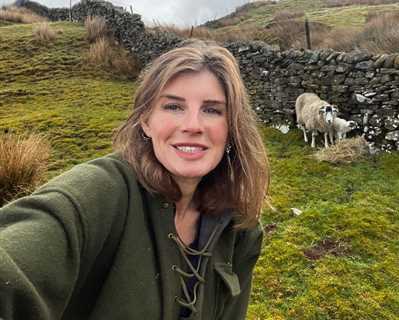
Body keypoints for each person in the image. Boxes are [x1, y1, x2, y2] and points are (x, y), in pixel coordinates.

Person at [0, 40, 269, 320]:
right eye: (173, 107)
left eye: (212, 110)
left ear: (232, 127)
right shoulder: (102, 191)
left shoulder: (240, 227)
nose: (192, 125)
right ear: (145, 120)